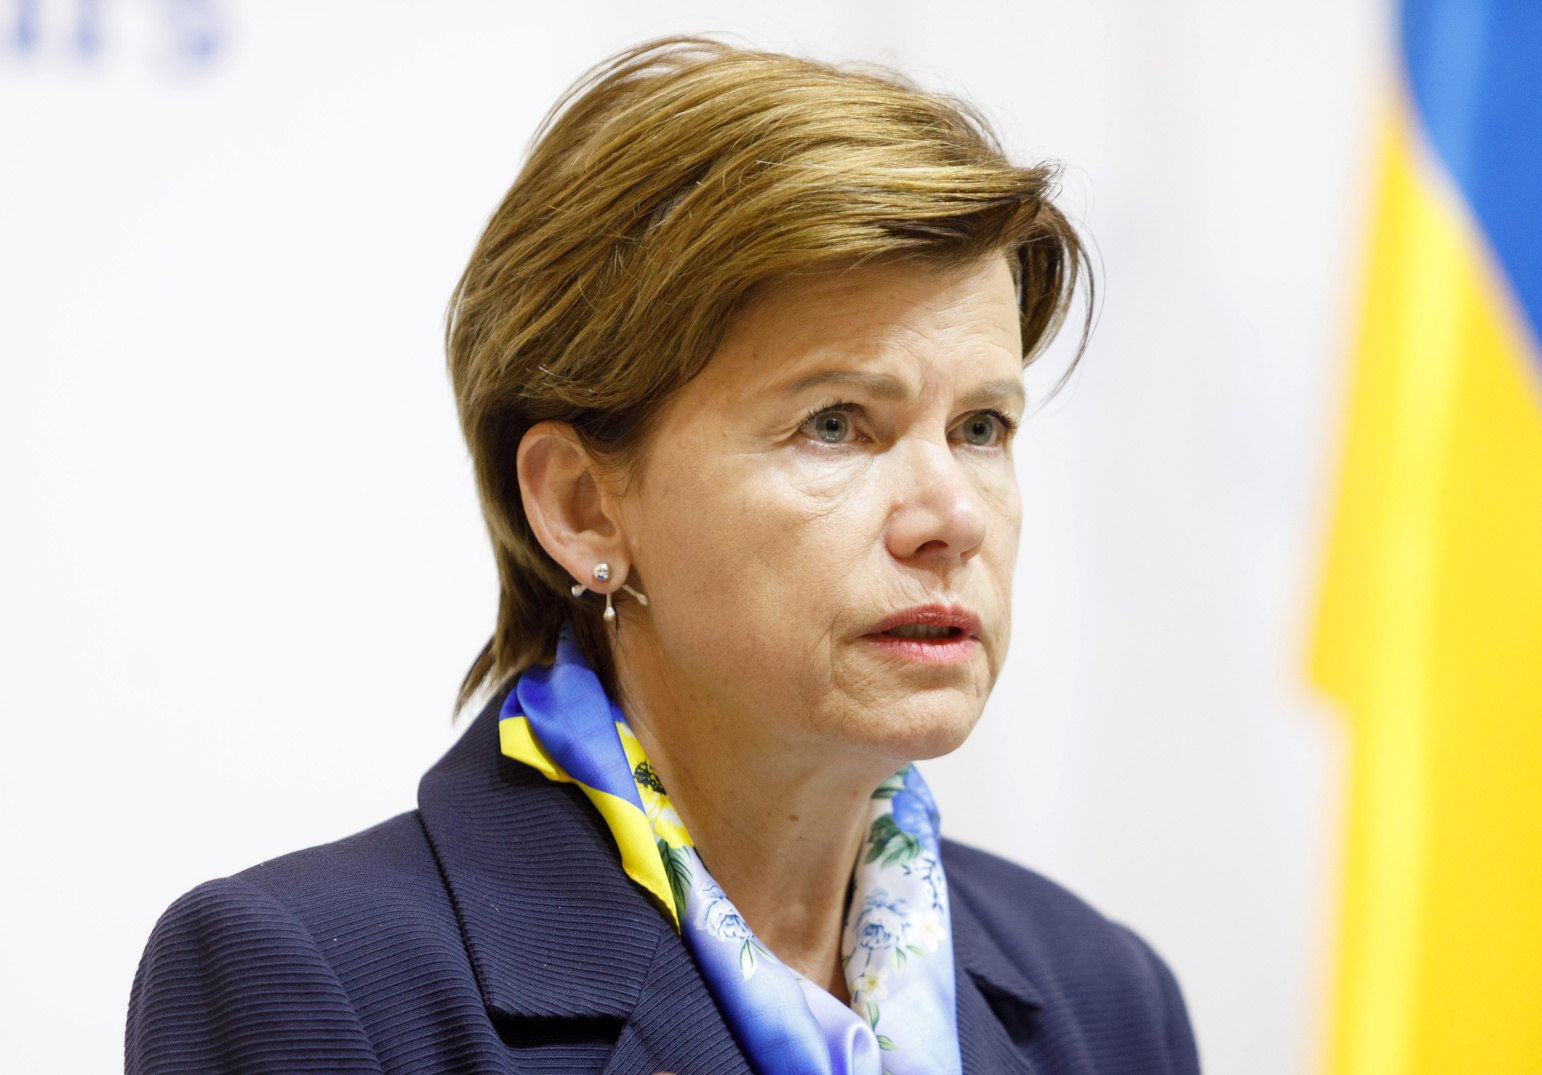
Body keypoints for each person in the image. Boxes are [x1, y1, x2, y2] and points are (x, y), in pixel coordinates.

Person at [126, 37, 1199, 1075]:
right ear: (583, 506)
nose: (954, 515)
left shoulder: (1106, 997)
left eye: (982, 428)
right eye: (834, 424)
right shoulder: (314, 986)